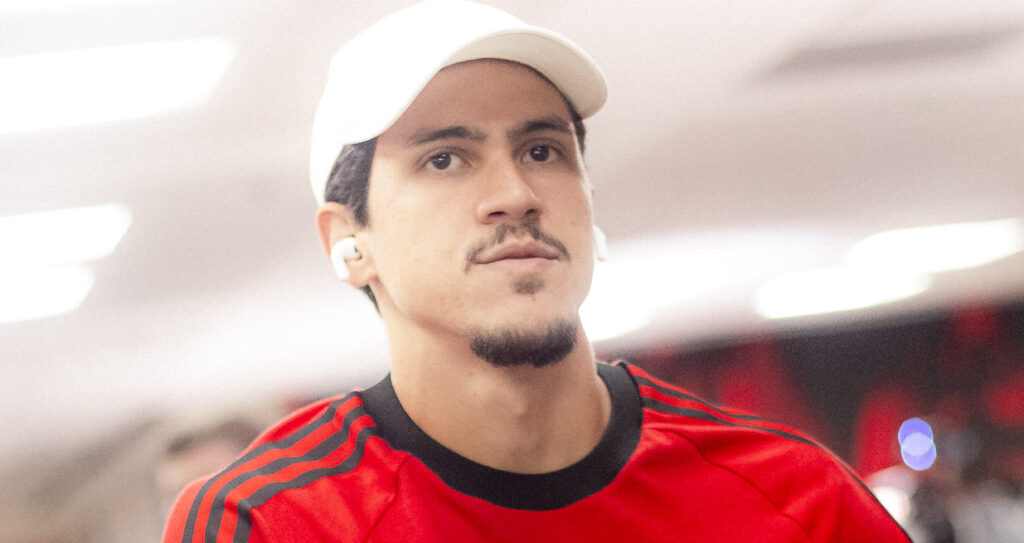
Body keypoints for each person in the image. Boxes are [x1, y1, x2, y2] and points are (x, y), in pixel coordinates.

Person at [163, 1, 912, 541]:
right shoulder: (272, 521)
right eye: (445, 159)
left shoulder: (794, 496)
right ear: (349, 241)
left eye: (543, 150)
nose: (515, 193)